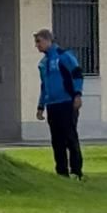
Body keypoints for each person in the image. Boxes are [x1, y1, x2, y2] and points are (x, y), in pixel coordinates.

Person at [34, 27, 84, 179]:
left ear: (48, 40)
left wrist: (77, 94)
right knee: (57, 140)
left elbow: (77, 74)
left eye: (39, 41)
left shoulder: (64, 56)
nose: (37, 45)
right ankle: (61, 172)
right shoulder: (43, 63)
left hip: (67, 102)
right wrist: (41, 106)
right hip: (53, 105)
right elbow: (44, 86)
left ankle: (76, 171)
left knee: (70, 137)